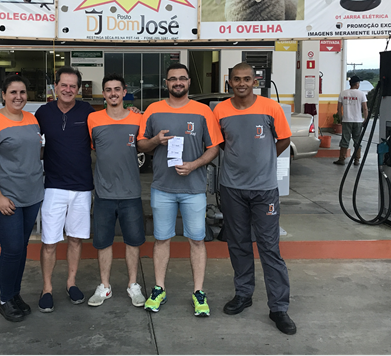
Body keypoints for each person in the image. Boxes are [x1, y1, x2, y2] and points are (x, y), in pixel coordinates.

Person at [212, 62, 297, 335]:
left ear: (255, 81)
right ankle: (243, 294)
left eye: (246, 79)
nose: (241, 84)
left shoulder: (270, 108)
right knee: (238, 245)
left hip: (264, 189)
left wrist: (265, 157)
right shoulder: (220, 110)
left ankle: (279, 308)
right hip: (232, 189)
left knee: (269, 248)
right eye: (236, 79)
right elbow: (222, 142)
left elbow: (283, 139)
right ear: (229, 82)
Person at [137, 63, 223, 317]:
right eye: (172, 79)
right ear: (166, 83)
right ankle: (159, 288)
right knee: (161, 239)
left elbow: (214, 147)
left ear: (188, 82)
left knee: (196, 240)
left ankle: (198, 292)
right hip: (162, 188)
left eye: (182, 78)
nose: (178, 82)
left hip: (194, 189)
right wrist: (155, 141)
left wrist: (195, 164)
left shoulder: (202, 111)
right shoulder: (153, 110)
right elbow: (141, 145)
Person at [0, 74, 44, 323]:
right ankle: (5, 299)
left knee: (21, 248)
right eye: (13, 92)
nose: (18, 97)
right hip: (6, 199)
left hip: (32, 196)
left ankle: (14, 294)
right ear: (3, 95)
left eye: (23, 92)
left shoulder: (32, 120)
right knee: (12, 249)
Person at [34, 66, 95, 312]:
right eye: (64, 85)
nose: (68, 89)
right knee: (49, 241)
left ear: (78, 89)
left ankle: (71, 283)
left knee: (76, 239)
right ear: (56, 87)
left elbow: (112, 122)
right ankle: (47, 288)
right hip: (53, 187)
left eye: (73, 86)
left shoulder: (88, 112)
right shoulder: (42, 113)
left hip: (82, 187)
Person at [86, 73, 146, 308]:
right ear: (104, 94)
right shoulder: (93, 119)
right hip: (103, 194)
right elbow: (93, 148)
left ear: (124, 92)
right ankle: (105, 286)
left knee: (133, 241)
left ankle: (133, 285)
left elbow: (144, 144)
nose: (113, 93)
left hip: (131, 193)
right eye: (108, 89)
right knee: (103, 242)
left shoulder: (137, 119)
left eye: (117, 89)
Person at [334, 75, 369, 166]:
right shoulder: (361, 94)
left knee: (345, 139)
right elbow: (365, 108)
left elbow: (338, 108)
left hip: (346, 120)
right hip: (358, 121)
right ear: (357, 84)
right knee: (357, 140)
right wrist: (366, 119)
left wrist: (340, 118)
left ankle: (342, 159)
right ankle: (356, 160)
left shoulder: (343, 93)